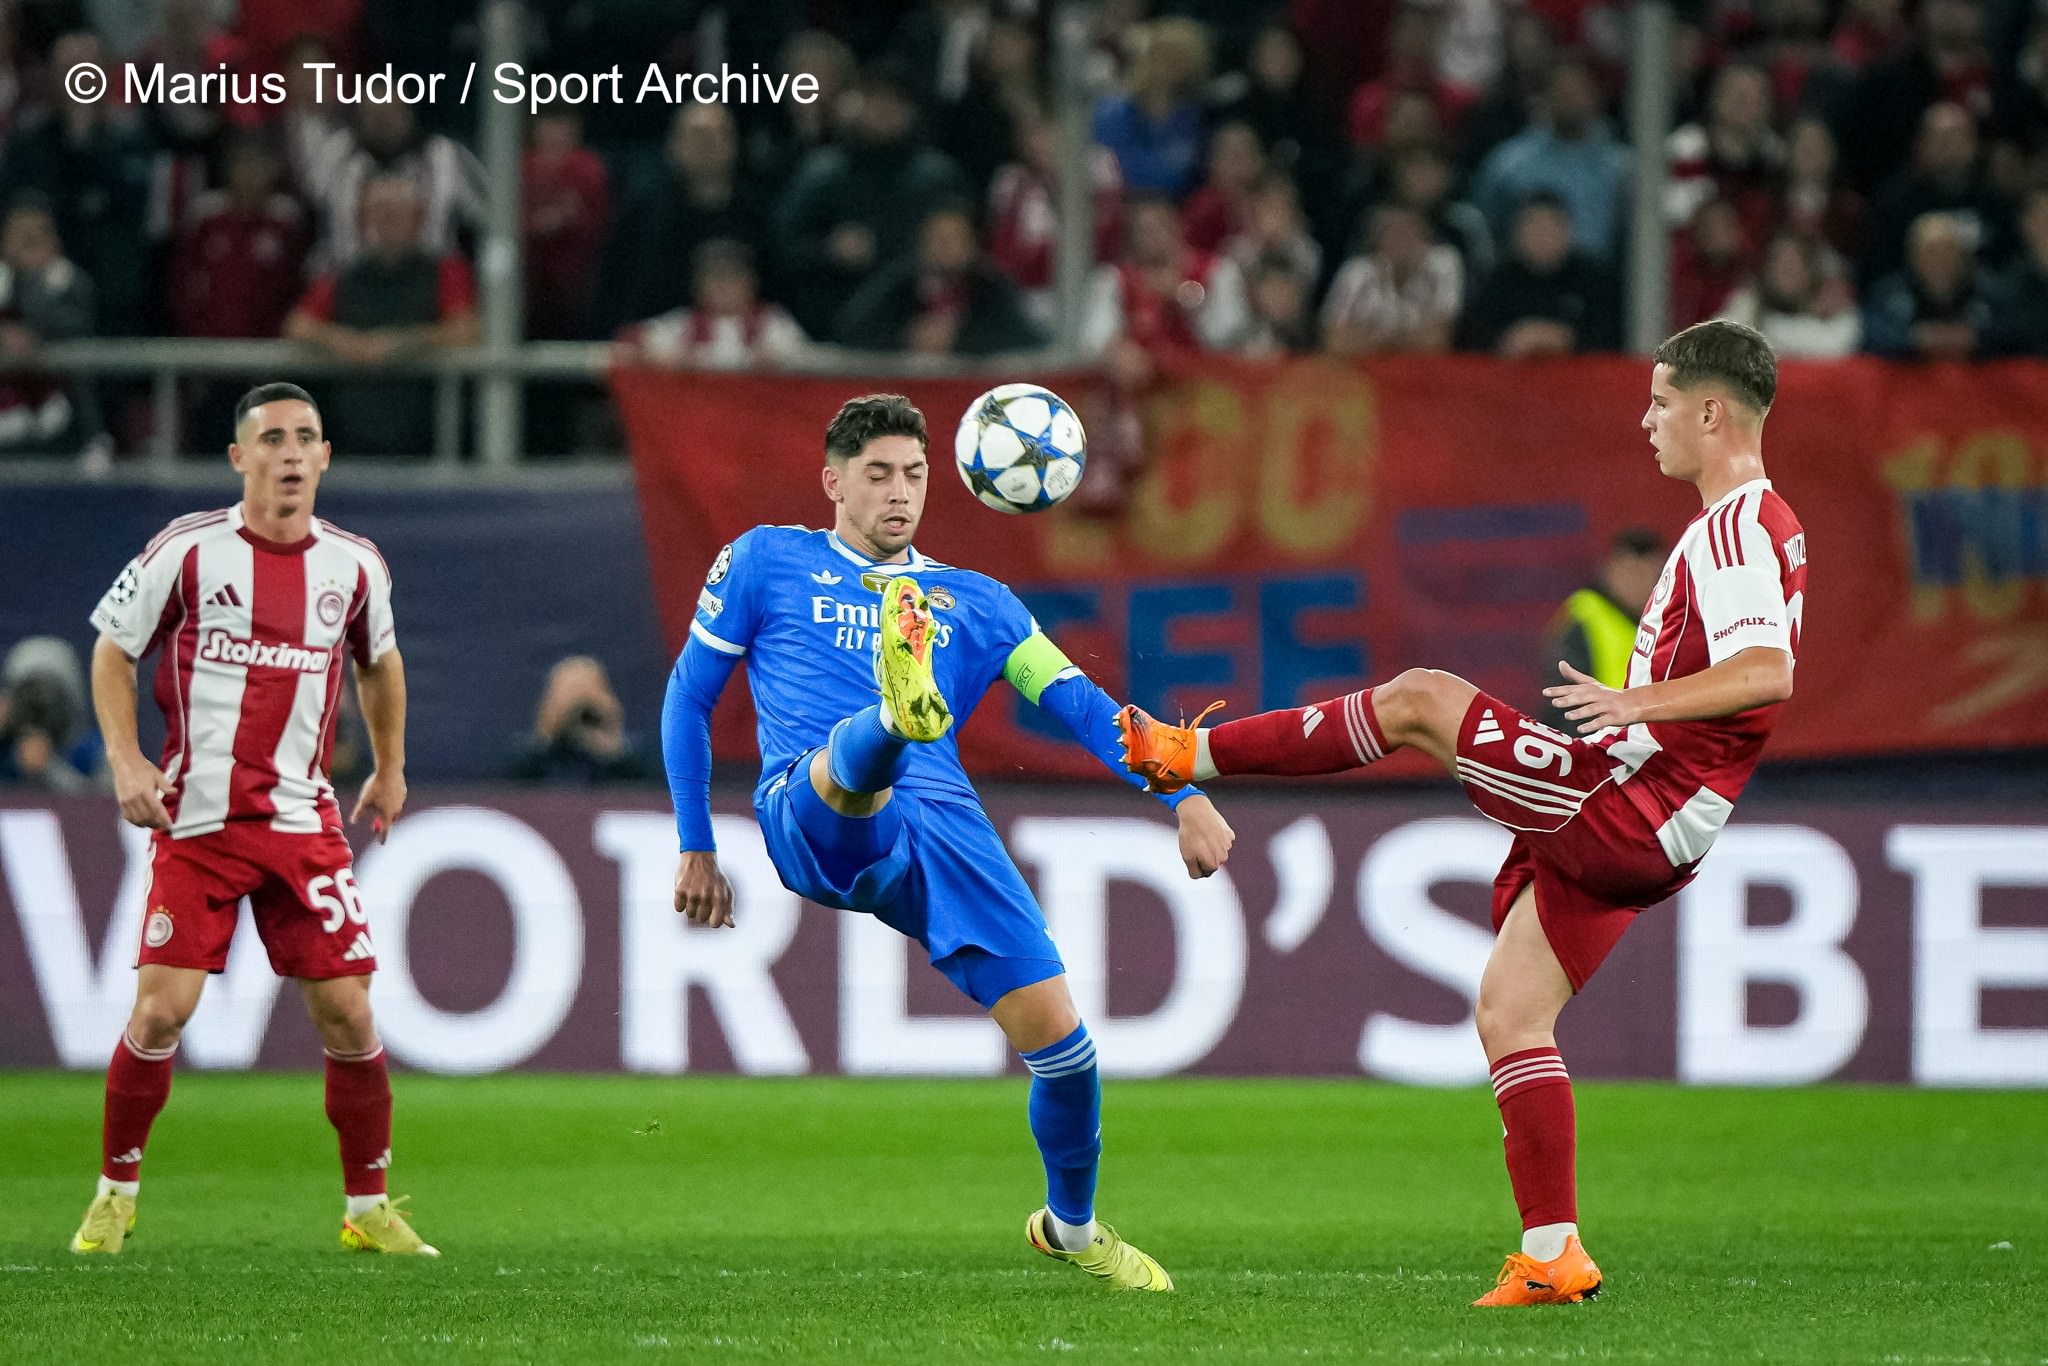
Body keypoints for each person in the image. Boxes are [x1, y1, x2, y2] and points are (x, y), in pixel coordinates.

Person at [1117, 321, 1805, 1307]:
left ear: (1709, 413)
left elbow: (1765, 671)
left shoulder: (1737, 527)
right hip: (1658, 815)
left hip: (1637, 800)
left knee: (1422, 700)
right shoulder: (1756, 523)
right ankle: (1553, 1255)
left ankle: (1189, 753)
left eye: (1659, 402)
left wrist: (1635, 704)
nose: (1645, 420)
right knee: (1511, 1011)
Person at [662, 394, 1235, 1292]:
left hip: (945, 827)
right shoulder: (767, 560)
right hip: (807, 803)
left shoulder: (982, 603)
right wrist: (695, 843)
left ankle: (1072, 1228)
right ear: (833, 482)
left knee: (1066, 1051)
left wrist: (1183, 793)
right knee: (855, 773)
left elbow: (1084, 709)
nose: (900, 493)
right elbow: (689, 697)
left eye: (916, 475)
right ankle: (894, 717)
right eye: (878, 474)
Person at [71, 382, 432, 1257]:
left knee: (349, 1014)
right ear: (239, 457)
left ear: (326, 457)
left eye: (306, 437)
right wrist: (125, 759)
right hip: (197, 823)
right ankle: (115, 1195)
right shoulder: (188, 551)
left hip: (303, 823)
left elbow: (379, 663)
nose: (292, 453)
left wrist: (390, 768)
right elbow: (113, 649)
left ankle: (368, 1208)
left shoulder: (355, 566)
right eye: (273, 439)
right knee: (163, 1013)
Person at [284, 174, 481, 456]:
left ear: (419, 218)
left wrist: (399, 343)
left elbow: (467, 330)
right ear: (363, 219)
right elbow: (298, 325)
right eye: (380, 213)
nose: (389, 222)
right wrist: (346, 342)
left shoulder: (445, 270)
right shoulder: (344, 274)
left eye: (399, 213)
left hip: (429, 437)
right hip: (355, 435)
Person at [835, 203, 1047, 355]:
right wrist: (907, 338)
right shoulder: (899, 283)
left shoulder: (991, 285)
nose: (945, 248)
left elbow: (1026, 337)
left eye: (954, 239)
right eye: (937, 239)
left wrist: (959, 340)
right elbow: (851, 330)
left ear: (972, 245)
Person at [617, 240, 809, 371]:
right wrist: (657, 355)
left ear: (752, 283)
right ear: (697, 287)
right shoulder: (683, 324)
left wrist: (777, 360)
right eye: (714, 279)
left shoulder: (773, 321)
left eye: (732, 278)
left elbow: (802, 357)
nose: (723, 287)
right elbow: (630, 339)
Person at [1541, 528, 1665, 712]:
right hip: (1600, 726)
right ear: (1610, 570)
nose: (1638, 582)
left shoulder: (1670, 617)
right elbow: (1564, 696)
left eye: (1647, 573)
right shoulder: (1584, 616)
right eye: (1630, 571)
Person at [506, 656, 658, 786]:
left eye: (588, 691)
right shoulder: (529, 762)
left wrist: (613, 751)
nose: (579, 707)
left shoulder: (631, 762)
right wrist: (551, 737)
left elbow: (656, 794)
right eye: (569, 692)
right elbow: (506, 790)